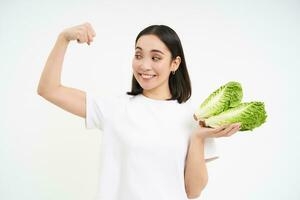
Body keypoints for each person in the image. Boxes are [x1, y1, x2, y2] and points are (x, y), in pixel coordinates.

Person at [37, 22, 240, 200]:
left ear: (175, 63)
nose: (144, 65)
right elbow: (49, 89)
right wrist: (63, 38)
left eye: (155, 57)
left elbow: (193, 191)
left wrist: (197, 138)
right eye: (138, 55)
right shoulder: (114, 107)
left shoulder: (194, 117)